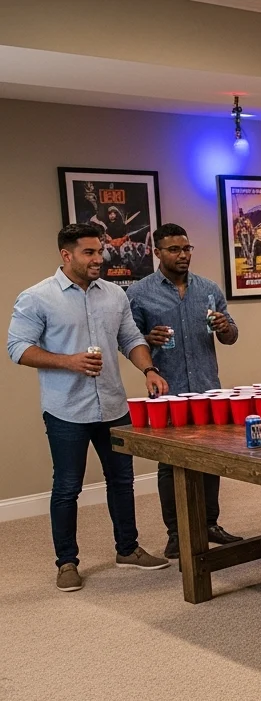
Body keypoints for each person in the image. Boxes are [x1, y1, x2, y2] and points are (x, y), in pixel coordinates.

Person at [7, 223, 171, 592]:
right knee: (67, 487)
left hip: (113, 405)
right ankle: (66, 562)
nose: (99, 259)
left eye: (100, 251)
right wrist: (70, 361)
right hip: (66, 409)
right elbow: (17, 348)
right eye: (90, 253)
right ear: (66, 255)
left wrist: (149, 369)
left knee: (122, 481)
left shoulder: (114, 295)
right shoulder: (37, 297)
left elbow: (130, 338)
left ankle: (127, 549)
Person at [128, 223, 243, 559]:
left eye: (187, 248)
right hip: (168, 389)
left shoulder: (207, 289)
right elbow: (128, 341)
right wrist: (148, 340)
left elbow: (231, 336)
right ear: (158, 253)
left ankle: (209, 524)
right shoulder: (139, 293)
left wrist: (225, 327)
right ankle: (177, 533)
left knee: (211, 459)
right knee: (170, 465)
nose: (182, 255)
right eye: (174, 250)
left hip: (208, 387)